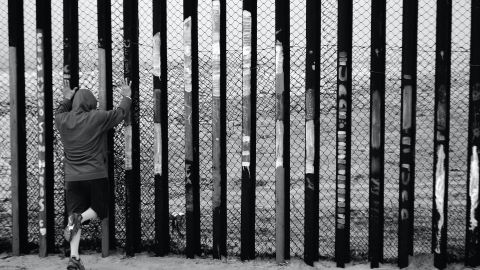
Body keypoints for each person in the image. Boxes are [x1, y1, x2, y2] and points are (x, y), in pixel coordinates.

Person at [54, 78, 132, 270]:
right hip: (95, 174)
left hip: (72, 178)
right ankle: (79, 219)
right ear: (90, 104)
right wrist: (126, 96)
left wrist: (67, 98)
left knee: (74, 214)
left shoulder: (62, 120)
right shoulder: (96, 118)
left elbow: (59, 111)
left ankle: (74, 257)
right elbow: (120, 114)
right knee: (99, 209)